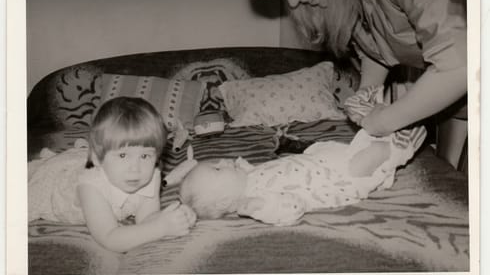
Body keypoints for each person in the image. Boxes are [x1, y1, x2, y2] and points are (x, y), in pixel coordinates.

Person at [245, 0, 467, 136]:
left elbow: (461, 65)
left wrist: (384, 122)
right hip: (453, 94)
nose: (292, 0)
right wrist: (366, 92)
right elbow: (376, 49)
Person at [28, 97, 196, 253]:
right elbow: (109, 237)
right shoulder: (90, 186)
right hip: (54, 183)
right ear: (97, 159)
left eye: (145, 156)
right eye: (123, 155)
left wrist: (175, 217)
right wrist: (160, 228)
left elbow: (147, 218)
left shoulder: (150, 175)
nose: (135, 169)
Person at [177, 125, 426, 226]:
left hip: (320, 162)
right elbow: (287, 213)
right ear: (224, 201)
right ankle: (398, 149)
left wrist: (240, 165)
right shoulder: (255, 203)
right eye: (218, 169)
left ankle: (381, 130)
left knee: (339, 148)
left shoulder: (248, 178)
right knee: (364, 162)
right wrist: (259, 207)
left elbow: (253, 171)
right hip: (337, 183)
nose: (221, 162)